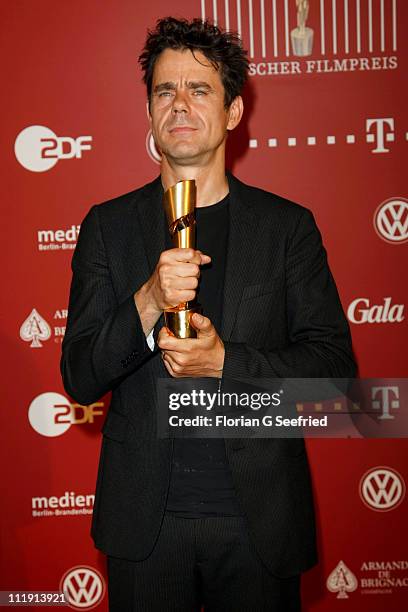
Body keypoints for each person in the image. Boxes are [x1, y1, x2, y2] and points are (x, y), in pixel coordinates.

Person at [61, 16, 356, 612]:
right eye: (164, 90)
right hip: (146, 525)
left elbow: (336, 385)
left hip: (259, 521)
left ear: (233, 112)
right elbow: (80, 376)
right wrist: (147, 299)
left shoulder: (286, 229)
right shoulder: (107, 227)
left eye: (200, 90)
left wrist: (225, 363)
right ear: (148, 112)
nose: (180, 105)